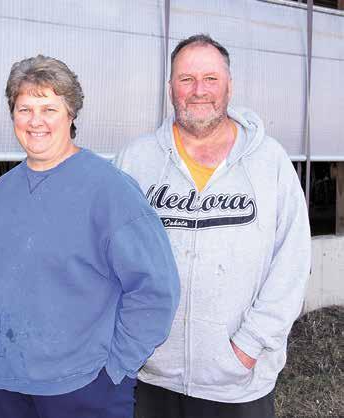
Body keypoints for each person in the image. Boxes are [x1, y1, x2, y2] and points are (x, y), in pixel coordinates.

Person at [115, 34, 312, 418]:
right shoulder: (136, 161)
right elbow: (111, 257)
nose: (199, 90)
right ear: (170, 87)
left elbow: (292, 263)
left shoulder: (269, 162)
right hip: (150, 375)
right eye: (186, 79)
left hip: (238, 383)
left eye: (210, 79)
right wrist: (130, 337)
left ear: (229, 86)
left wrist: (249, 346)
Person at [0, 55, 180, 418]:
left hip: (82, 387)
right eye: (25, 109)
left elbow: (155, 288)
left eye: (49, 109)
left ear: (71, 114)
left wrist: (115, 370)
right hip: (5, 385)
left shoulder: (110, 190)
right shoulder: (1, 192)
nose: (35, 121)